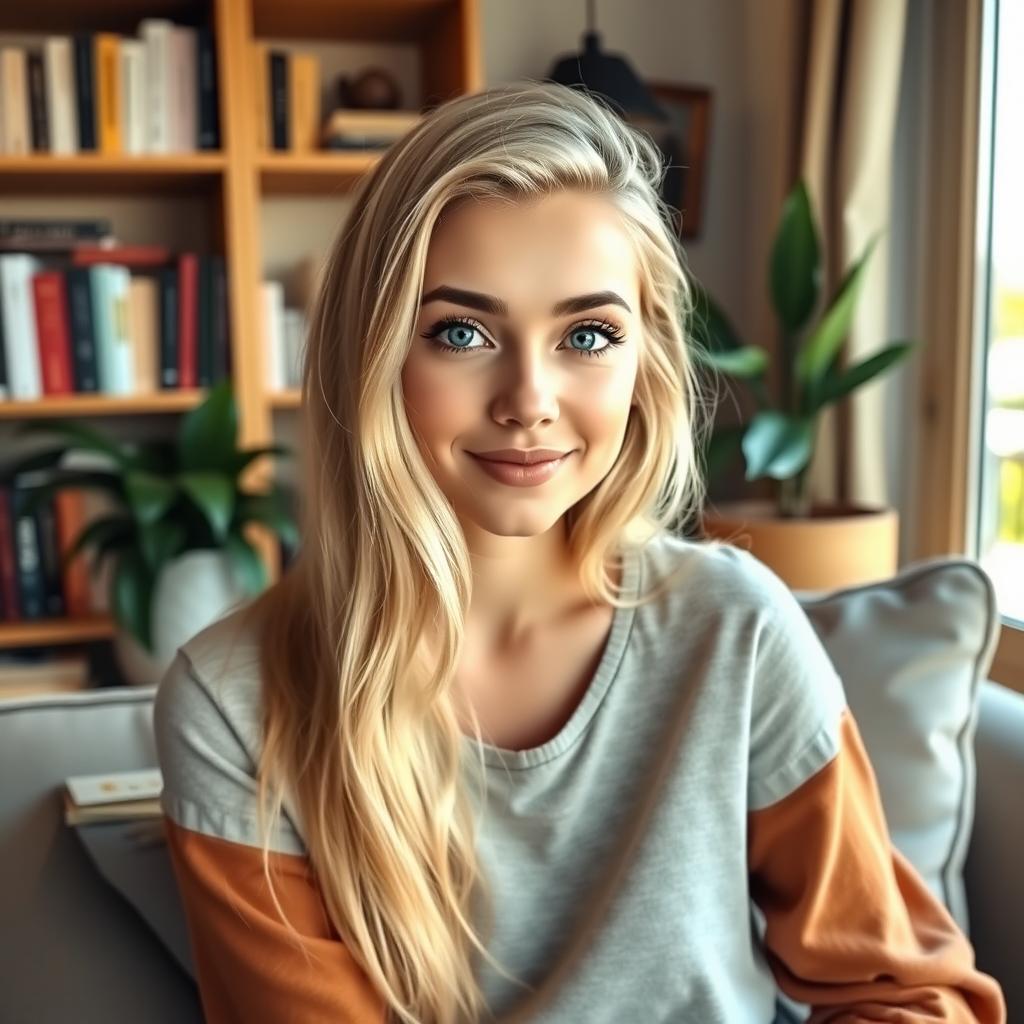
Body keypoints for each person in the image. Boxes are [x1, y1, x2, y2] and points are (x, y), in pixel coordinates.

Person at [153, 80, 1006, 1024]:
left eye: (588, 335)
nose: (529, 399)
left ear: (645, 362)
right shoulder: (233, 702)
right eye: (461, 332)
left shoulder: (737, 630)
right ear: (375, 352)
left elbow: (906, 993)